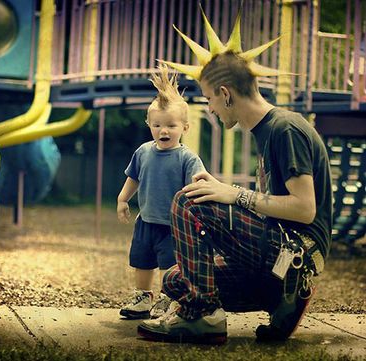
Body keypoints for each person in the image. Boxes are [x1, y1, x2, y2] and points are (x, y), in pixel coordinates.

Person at [137, 8, 332, 344]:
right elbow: (268, 210)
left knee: (189, 199)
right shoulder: (265, 132)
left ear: (225, 94)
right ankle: (281, 301)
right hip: (274, 263)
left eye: (210, 98)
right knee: (174, 280)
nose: (210, 107)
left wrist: (234, 194)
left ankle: (204, 316)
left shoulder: (285, 128)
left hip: (295, 256)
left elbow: (304, 209)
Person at [117, 65, 206, 320]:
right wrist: (123, 199)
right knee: (141, 261)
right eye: (157, 125)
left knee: (170, 265)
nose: (163, 131)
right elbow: (133, 177)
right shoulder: (143, 152)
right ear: (149, 124)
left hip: (173, 225)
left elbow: (197, 187)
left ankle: (170, 298)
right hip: (145, 221)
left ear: (185, 128)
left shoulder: (187, 158)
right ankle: (143, 297)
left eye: (171, 125)